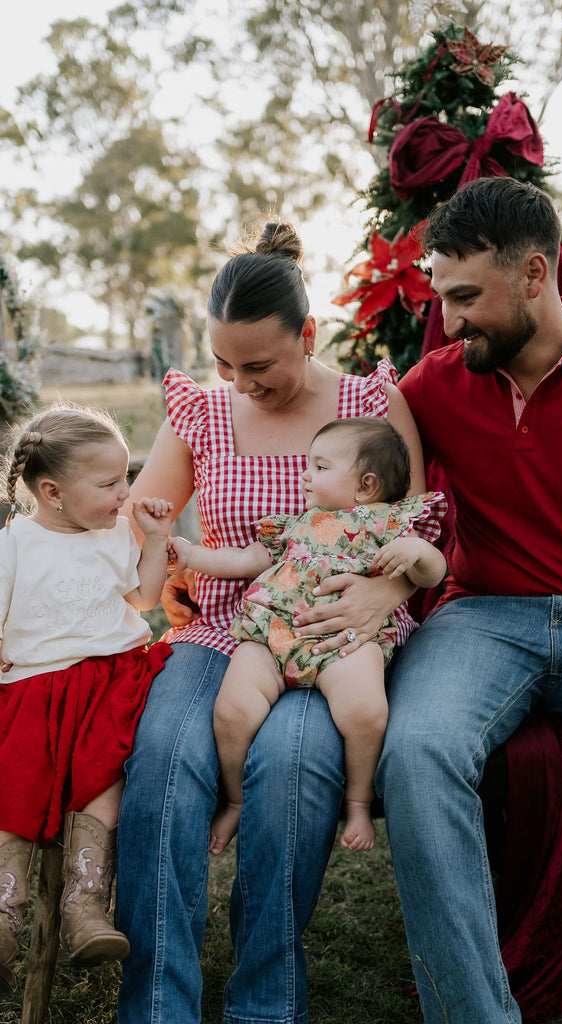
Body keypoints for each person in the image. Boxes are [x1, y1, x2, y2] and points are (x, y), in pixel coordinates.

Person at [373, 175, 562, 1024]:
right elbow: (380, 501)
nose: (450, 319)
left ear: (537, 274)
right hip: (479, 619)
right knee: (418, 751)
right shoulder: (431, 385)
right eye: (441, 298)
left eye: (466, 297)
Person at [115, 221, 436, 1024]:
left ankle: (264, 1003)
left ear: (308, 335)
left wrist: (379, 602)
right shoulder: (200, 412)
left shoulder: (370, 403)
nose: (240, 382)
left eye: (258, 365)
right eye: (225, 363)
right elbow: (140, 524)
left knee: (296, 770)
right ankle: (157, 1005)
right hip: (223, 628)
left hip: (334, 632)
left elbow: (417, 533)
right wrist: (166, 552)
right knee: (161, 761)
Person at [168, 416, 447, 854]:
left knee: (367, 713)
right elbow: (245, 560)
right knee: (231, 711)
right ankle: (237, 799)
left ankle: (358, 801)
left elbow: (434, 574)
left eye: (320, 467)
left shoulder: (390, 527)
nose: (305, 475)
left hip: (345, 644)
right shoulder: (297, 524)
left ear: (366, 485)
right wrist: (191, 555)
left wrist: (418, 551)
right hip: (273, 636)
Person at [0, 404, 172, 993]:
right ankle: (4, 912)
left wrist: (154, 539)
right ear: (52, 492)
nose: (124, 494)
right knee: (16, 780)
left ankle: (85, 905)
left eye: (124, 479)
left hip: (109, 684)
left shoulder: (113, 535)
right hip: (36, 687)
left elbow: (146, 599)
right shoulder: (14, 544)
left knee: (104, 779)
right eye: (109, 484)